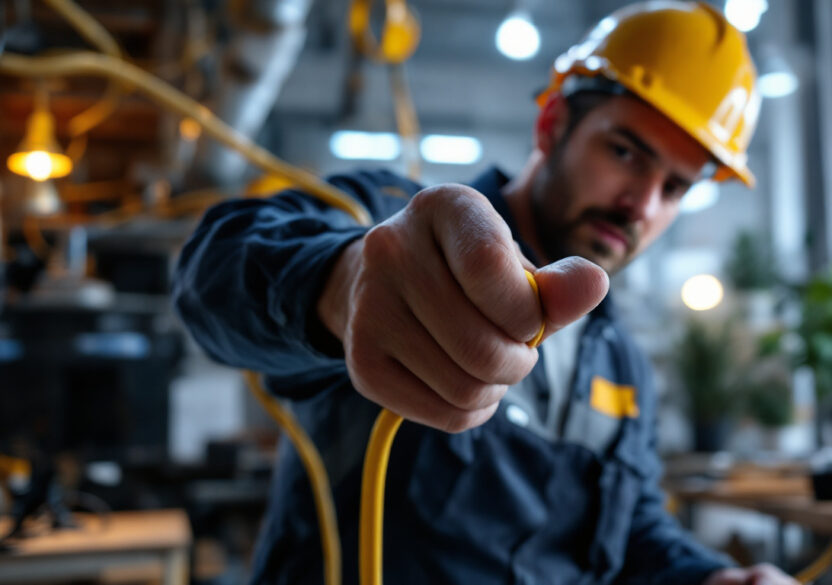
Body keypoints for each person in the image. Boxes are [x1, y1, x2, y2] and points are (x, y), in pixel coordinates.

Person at [173, 2, 798, 584]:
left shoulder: (620, 362)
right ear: (553, 125)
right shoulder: (399, 230)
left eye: (675, 188)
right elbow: (212, 273)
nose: (642, 204)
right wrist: (344, 281)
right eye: (626, 151)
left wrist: (710, 576)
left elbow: (629, 526)